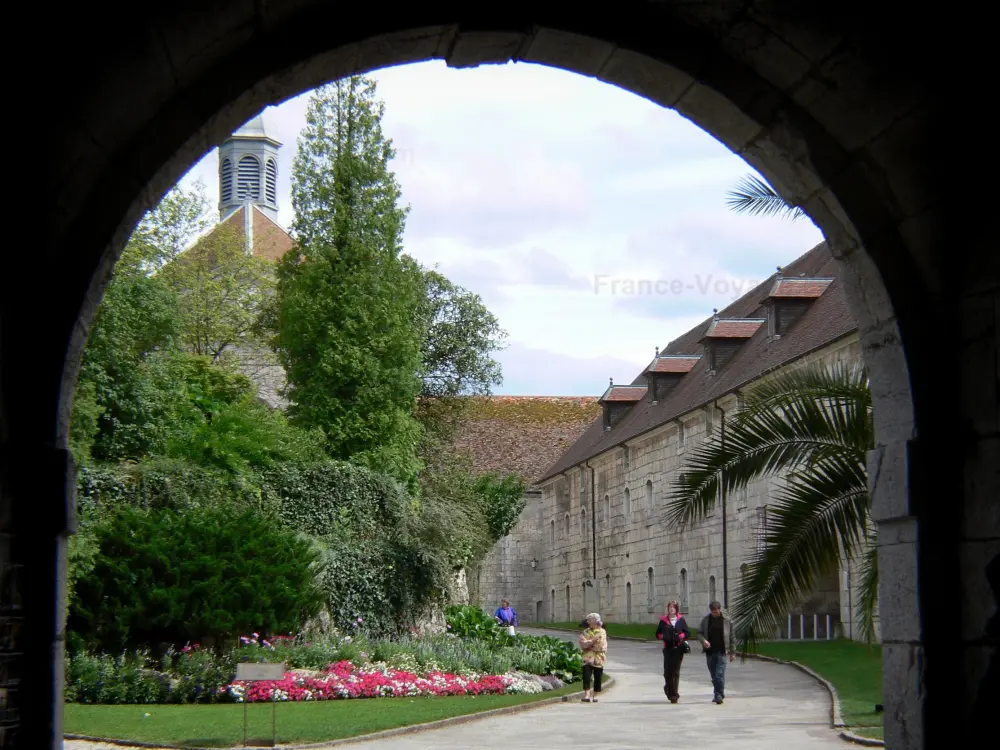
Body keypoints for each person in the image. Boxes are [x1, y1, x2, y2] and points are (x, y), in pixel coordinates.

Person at [698, 600, 736, 704]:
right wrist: (704, 641)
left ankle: (718, 695)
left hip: (722, 651)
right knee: (714, 675)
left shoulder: (727, 621)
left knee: (719, 674)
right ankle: (720, 692)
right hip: (710, 652)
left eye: (716, 612)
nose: (714, 614)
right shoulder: (706, 620)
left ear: (720, 610)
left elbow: (732, 637)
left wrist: (733, 652)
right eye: (712, 612)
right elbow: (700, 633)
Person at [654, 600, 690, 703]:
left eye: (673, 607)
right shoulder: (663, 620)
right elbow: (657, 634)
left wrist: (681, 636)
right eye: (670, 607)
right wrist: (663, 636)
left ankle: (674, 695)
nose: (671, 609)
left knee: (675, 672)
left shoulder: (681, 620)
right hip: (667, 648)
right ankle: (668, 689)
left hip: (678, 649)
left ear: (676, 609)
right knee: (667, 672)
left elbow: (687, 632)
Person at [578, 612, 607, 703]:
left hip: (598, 658)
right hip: (587, 658)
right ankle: (587, 696)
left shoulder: (602, 631)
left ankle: (595, 695)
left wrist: (589, 643)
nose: (588, 621)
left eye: (590, 620)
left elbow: (601, 646)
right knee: (586, 676)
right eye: (588, 620)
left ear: (595, 621)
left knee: (598, 677)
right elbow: (583, 644)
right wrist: (594, 640)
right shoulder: (585, 631)